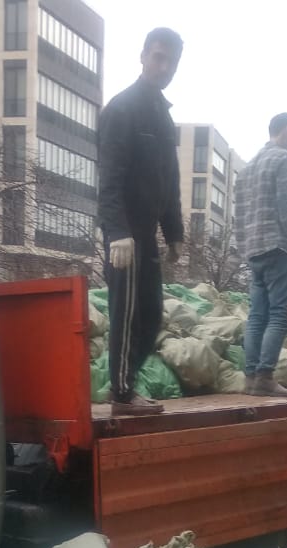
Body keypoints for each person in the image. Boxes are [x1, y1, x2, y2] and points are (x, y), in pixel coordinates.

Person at [96, 27, 185, 416]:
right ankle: (121, 391)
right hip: (125, 237)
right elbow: (110, 177)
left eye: (171, 61)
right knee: (127, 313)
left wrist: (175, 234)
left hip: (147, 235)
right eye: (158, 57)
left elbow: (170, 180)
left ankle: (126, 382)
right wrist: (116, 232)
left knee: (151, 314)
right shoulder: (123, 108)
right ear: (144, 56)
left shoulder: (163, 117)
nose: (164, 66)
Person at [233, 113, 287, 397]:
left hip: (254, 251)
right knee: (280, 314)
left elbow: (240, 213)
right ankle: (265, 376)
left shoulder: (247, 169)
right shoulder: (283, 159)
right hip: (278, 248)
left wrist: (244, 248)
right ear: (286, 130)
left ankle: (250, 377)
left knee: (257, 315)